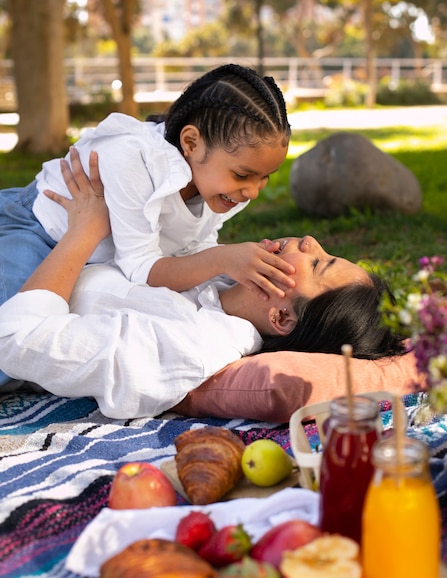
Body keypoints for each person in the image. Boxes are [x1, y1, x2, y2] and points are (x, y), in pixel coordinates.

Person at [0, 151, 406, 418]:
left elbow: (19, 338)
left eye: (318, 263)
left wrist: (83, 232)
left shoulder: (188, 348)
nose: (309, 241)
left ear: (281, 315)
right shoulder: (221, 278)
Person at [0, 64, 296, 315]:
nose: (253, 192)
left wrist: (238, 267)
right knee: (17, 333)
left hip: (101, 257)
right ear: (191, 143)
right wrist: (224, 259)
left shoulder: (216, 185)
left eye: (265, 177)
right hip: (37, 228)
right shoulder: (134, 160)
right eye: (243, 175)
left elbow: (189, 249)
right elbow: (142, 269)